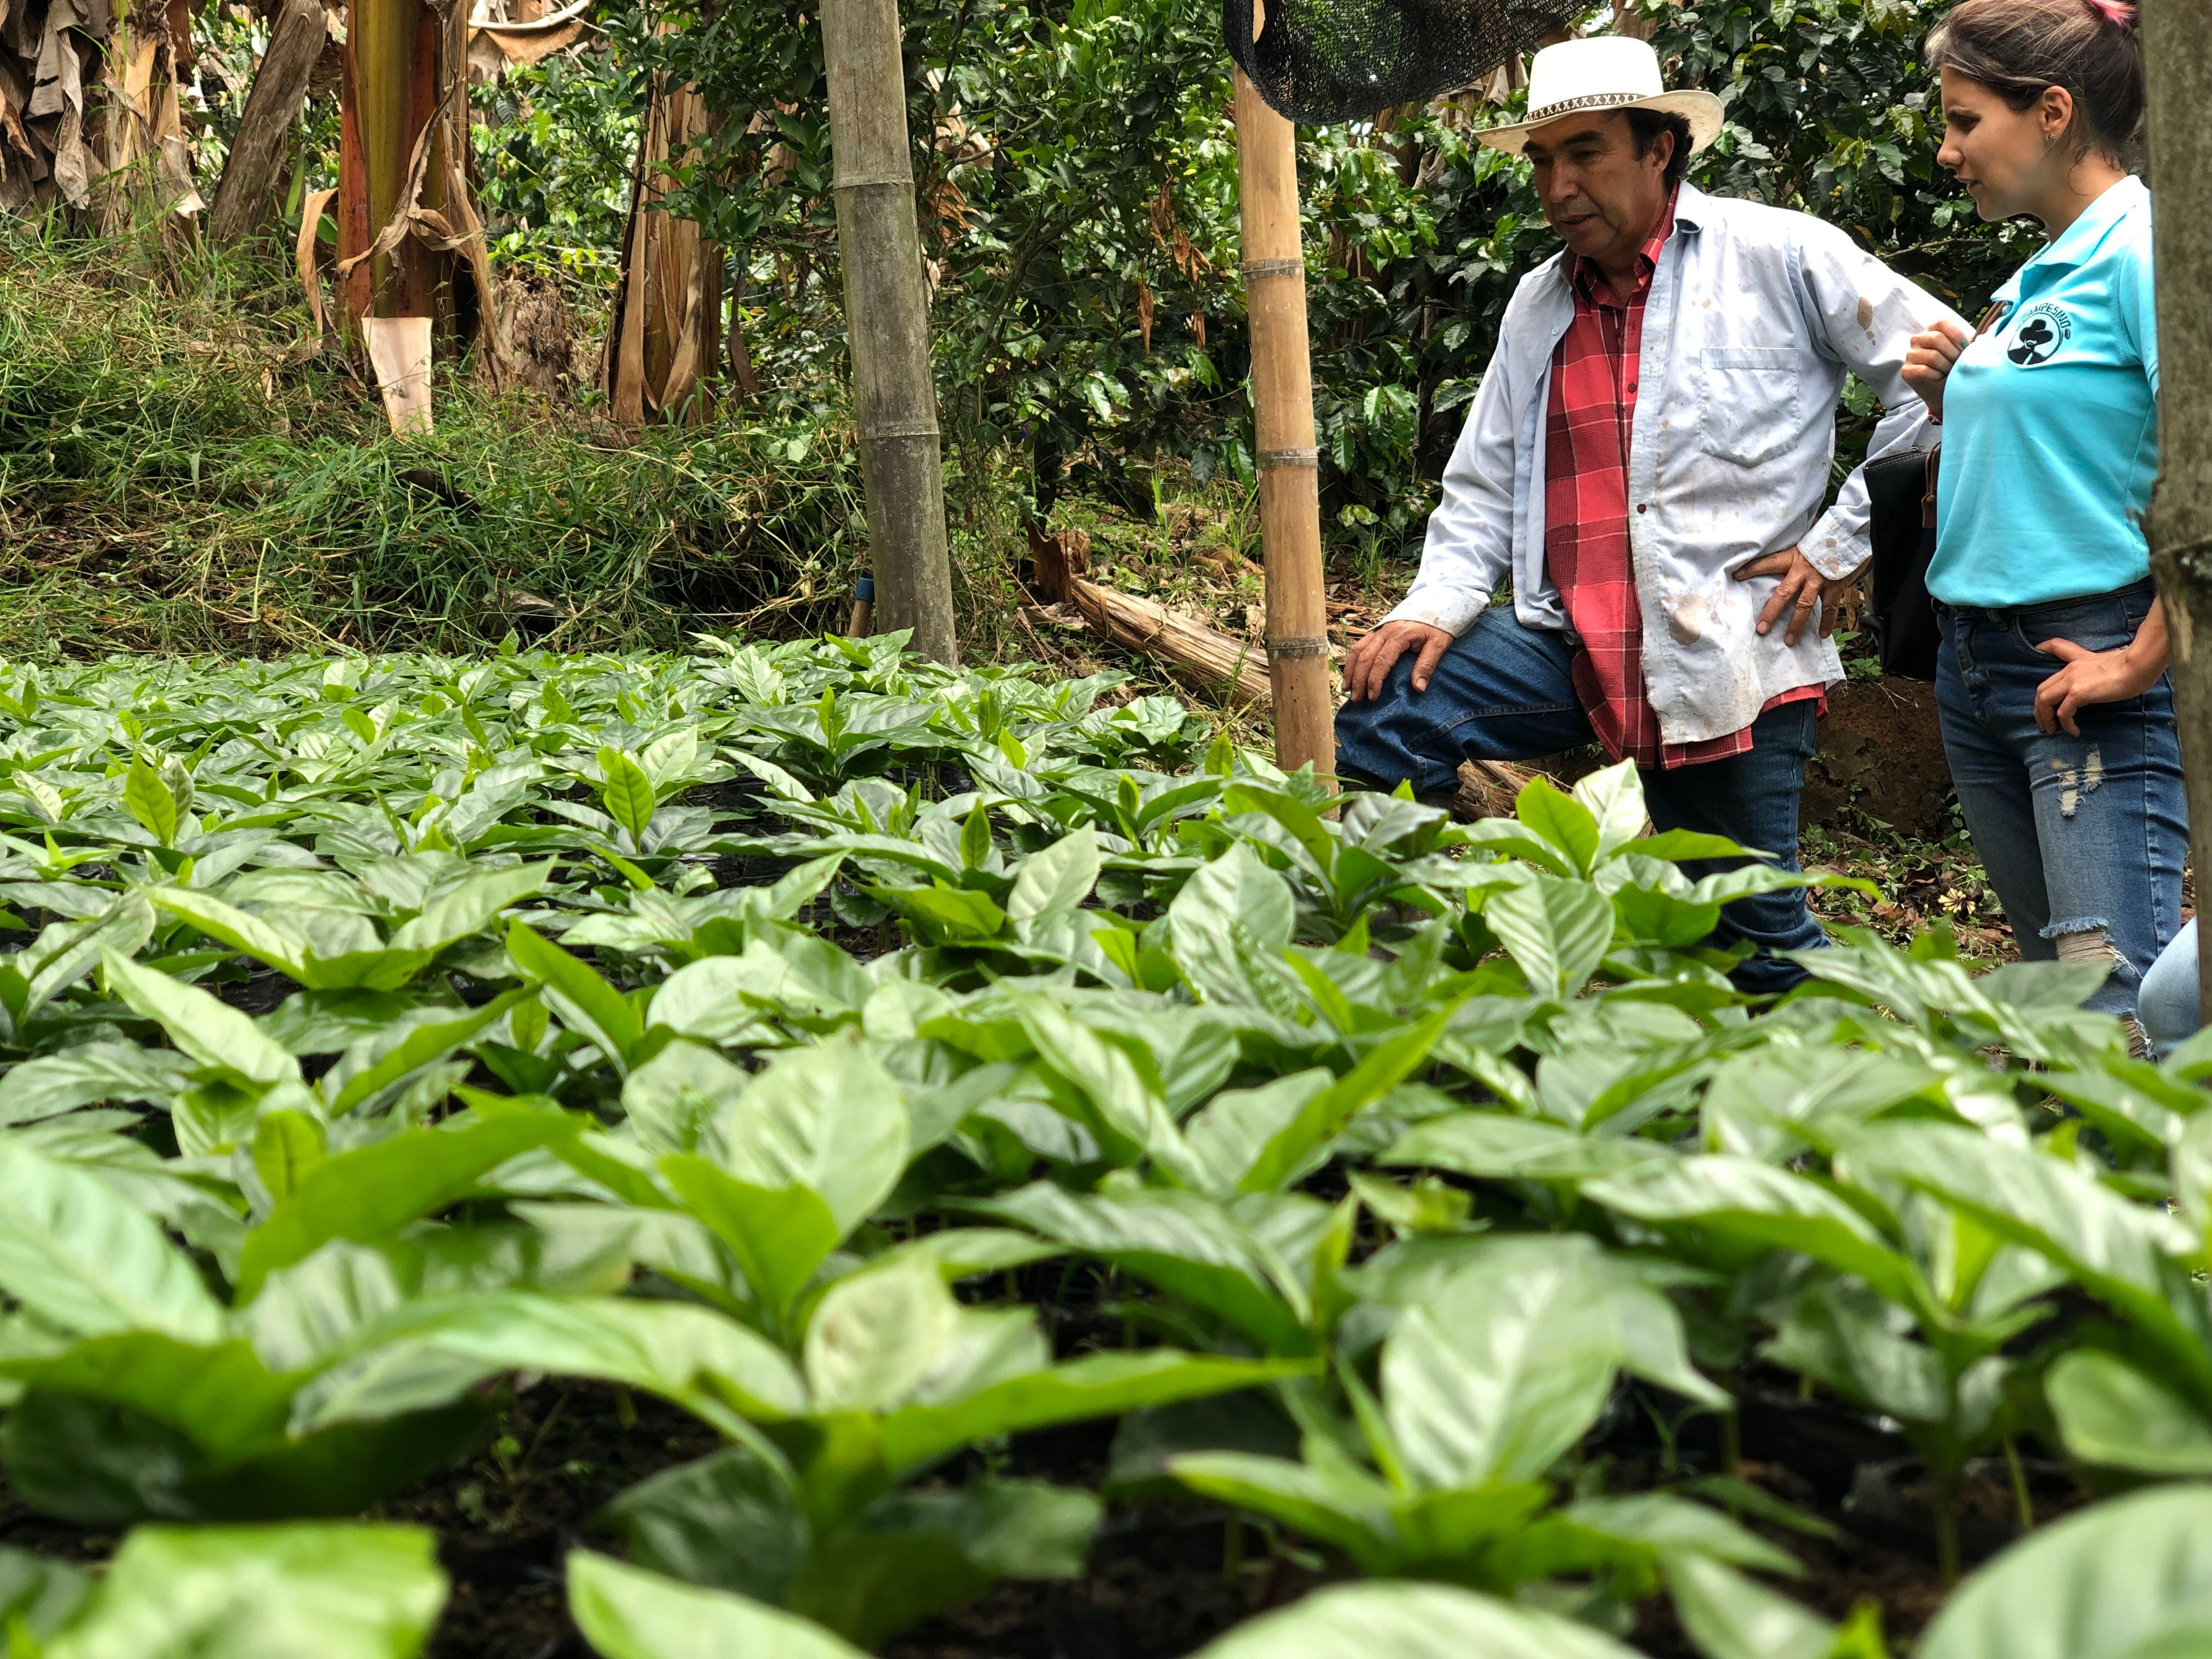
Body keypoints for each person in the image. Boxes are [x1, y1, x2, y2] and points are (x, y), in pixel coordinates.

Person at [1335, 34, 1962, 991]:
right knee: (1388, 713)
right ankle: (1399, 987)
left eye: (1586, 152)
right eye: (1544, 161)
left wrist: (1838, 548)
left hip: (1727, 647)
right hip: (1570, 639)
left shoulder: (1781, 255)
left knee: (1752, 934)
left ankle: (1830, 1113)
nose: (1557, 185)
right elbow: (1482, 482)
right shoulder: (1538, 305)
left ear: (1659, 149)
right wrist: (1432, 603)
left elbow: (1949, 383)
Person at [1899, 0, 2177, 1031]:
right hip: (1979, 668)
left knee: (2113, 1011)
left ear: (2053, 111)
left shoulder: (2146, 250)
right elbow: (2084, 449)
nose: (1948, 149)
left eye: (1966, 121)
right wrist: (1952, 401)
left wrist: (2147, 657)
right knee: (2050, 1006)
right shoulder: (2036, 273)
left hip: (2086, 661)